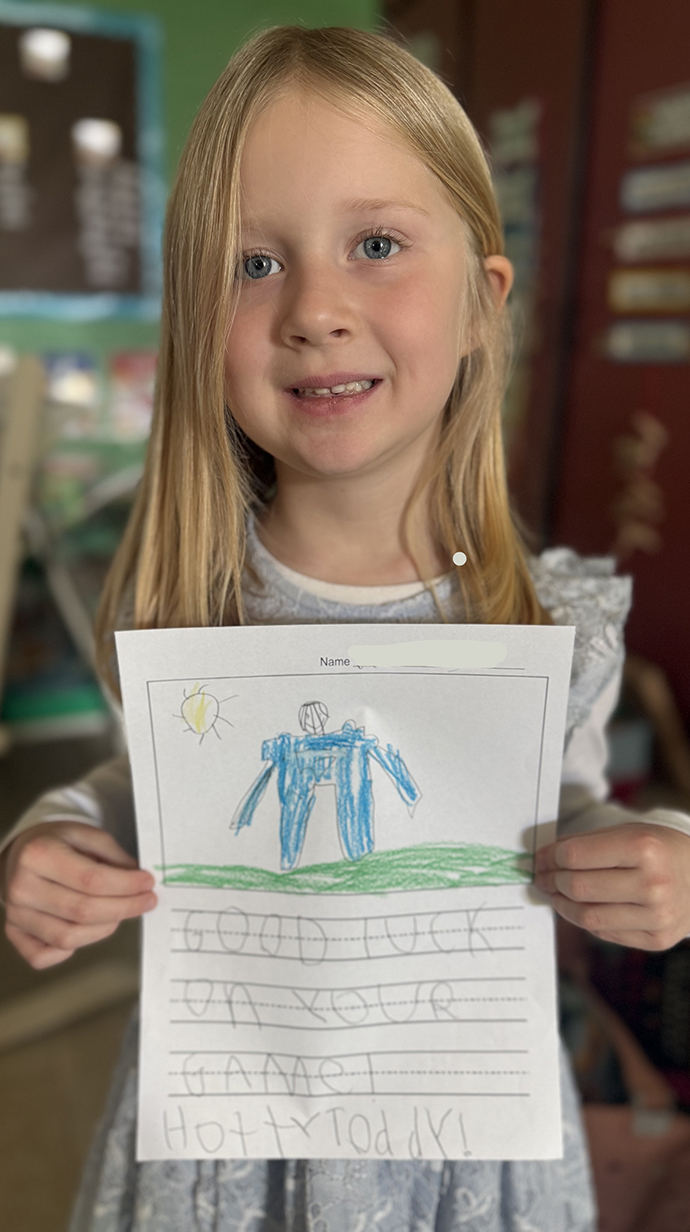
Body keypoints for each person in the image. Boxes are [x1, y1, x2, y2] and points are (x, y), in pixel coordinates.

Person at [3, 24, 690, 1232]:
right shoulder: (192, 594)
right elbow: (139, 791)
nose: (315, 308)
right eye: (251, 263)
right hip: (222, 1147)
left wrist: (662, 854)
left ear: (483, 304)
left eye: (375, 244)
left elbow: (566, 815)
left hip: (464, 1161)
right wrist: (53, 833)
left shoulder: (545, 619)